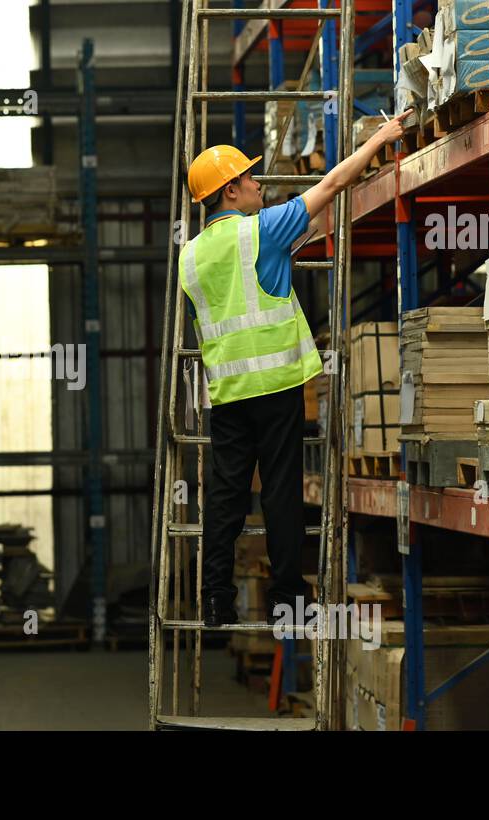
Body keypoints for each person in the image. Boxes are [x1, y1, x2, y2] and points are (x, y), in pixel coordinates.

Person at [182, 111, 411, 626]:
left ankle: (215, 600)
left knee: (225, 497)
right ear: (230, 191)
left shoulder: (190, 257)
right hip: (278, 385)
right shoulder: (260, 230)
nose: (259, 183)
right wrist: (382, 136)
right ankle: (287, 599)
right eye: (250, 178)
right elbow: (330, 183)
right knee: (281, 493)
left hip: (227, 393)